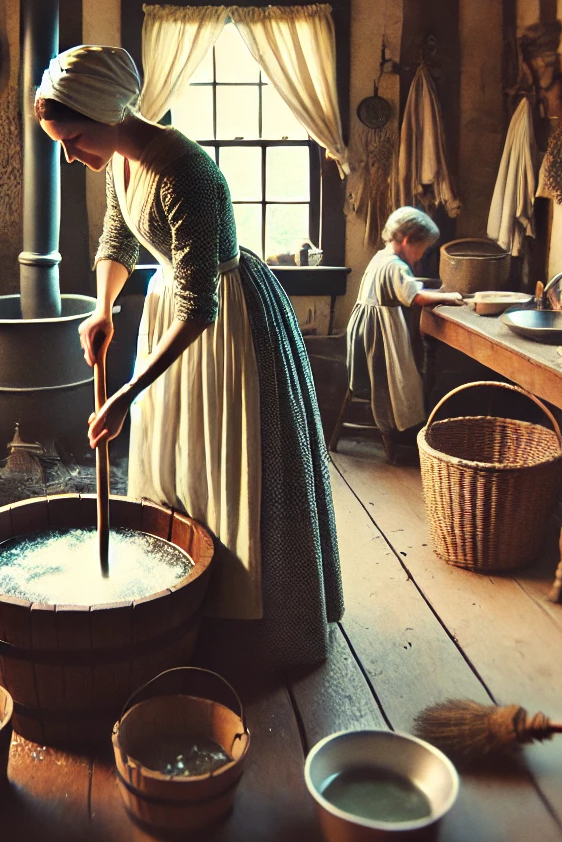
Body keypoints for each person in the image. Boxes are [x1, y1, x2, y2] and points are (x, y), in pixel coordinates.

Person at [37, 43, 342, 675]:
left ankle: (253, 623)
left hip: (225, 326)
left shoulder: (189, 176)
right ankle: (183, 601)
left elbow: (201, 308)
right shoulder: (123, 159)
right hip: (167, 310)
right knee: (179, 459)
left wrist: (126, 392)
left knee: (229, 463)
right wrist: (103, 308)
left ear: (107, 114)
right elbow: (118, 237)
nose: (71, 156)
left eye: (74, 139)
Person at [344, 206, 457, 450]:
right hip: (380, 333)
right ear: (407, 240)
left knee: (399, 380)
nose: (421, 255)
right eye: (422, 249)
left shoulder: (380, 257)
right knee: (397, 381)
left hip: (363, 328)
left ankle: (398, 429)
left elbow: (405, 288)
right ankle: (396, 430)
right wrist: (449, 296)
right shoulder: (396, 265)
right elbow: (415, 297)